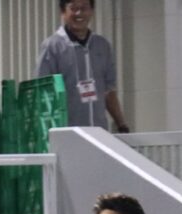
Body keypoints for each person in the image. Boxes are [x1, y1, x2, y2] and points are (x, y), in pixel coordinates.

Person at [36, 0, 129, 132]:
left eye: (84, 8)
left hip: (99, 132)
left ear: (91, 11)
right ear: (63, 12)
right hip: (67, 132)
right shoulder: (52, 47)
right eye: (74, 8)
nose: (79, 13)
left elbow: (109, 91)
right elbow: (43, 93)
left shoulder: (102, 45)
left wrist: (122, 124)